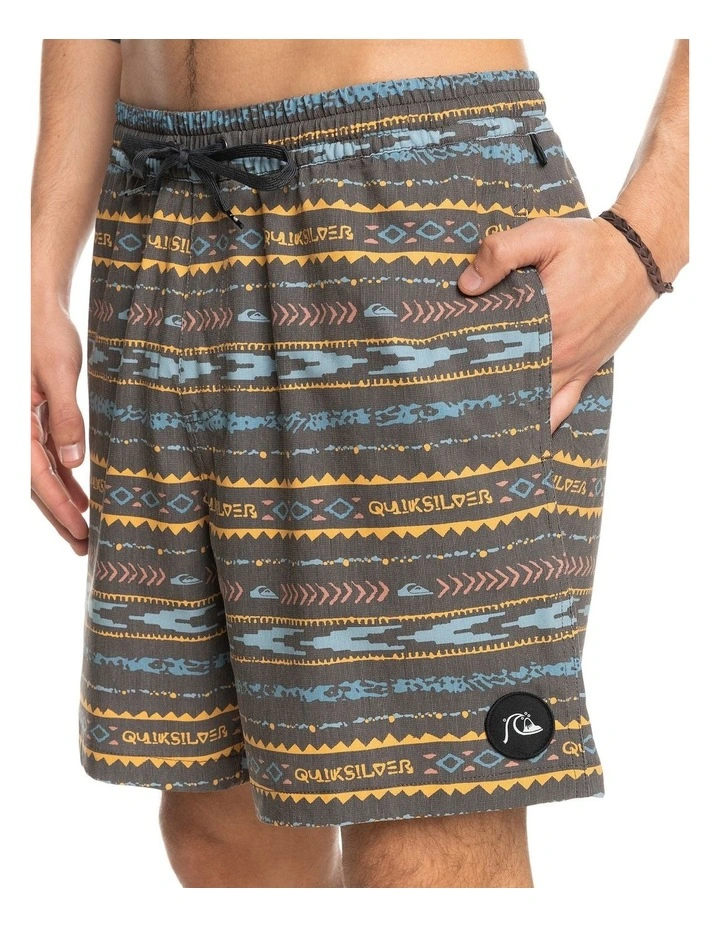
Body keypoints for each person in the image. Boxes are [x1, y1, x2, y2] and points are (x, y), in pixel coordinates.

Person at [30, 39, 689, 889]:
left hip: (404, 214)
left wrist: (649, 235)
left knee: (423, 843)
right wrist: (37, 283)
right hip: (159, 210)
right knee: (219, 830)